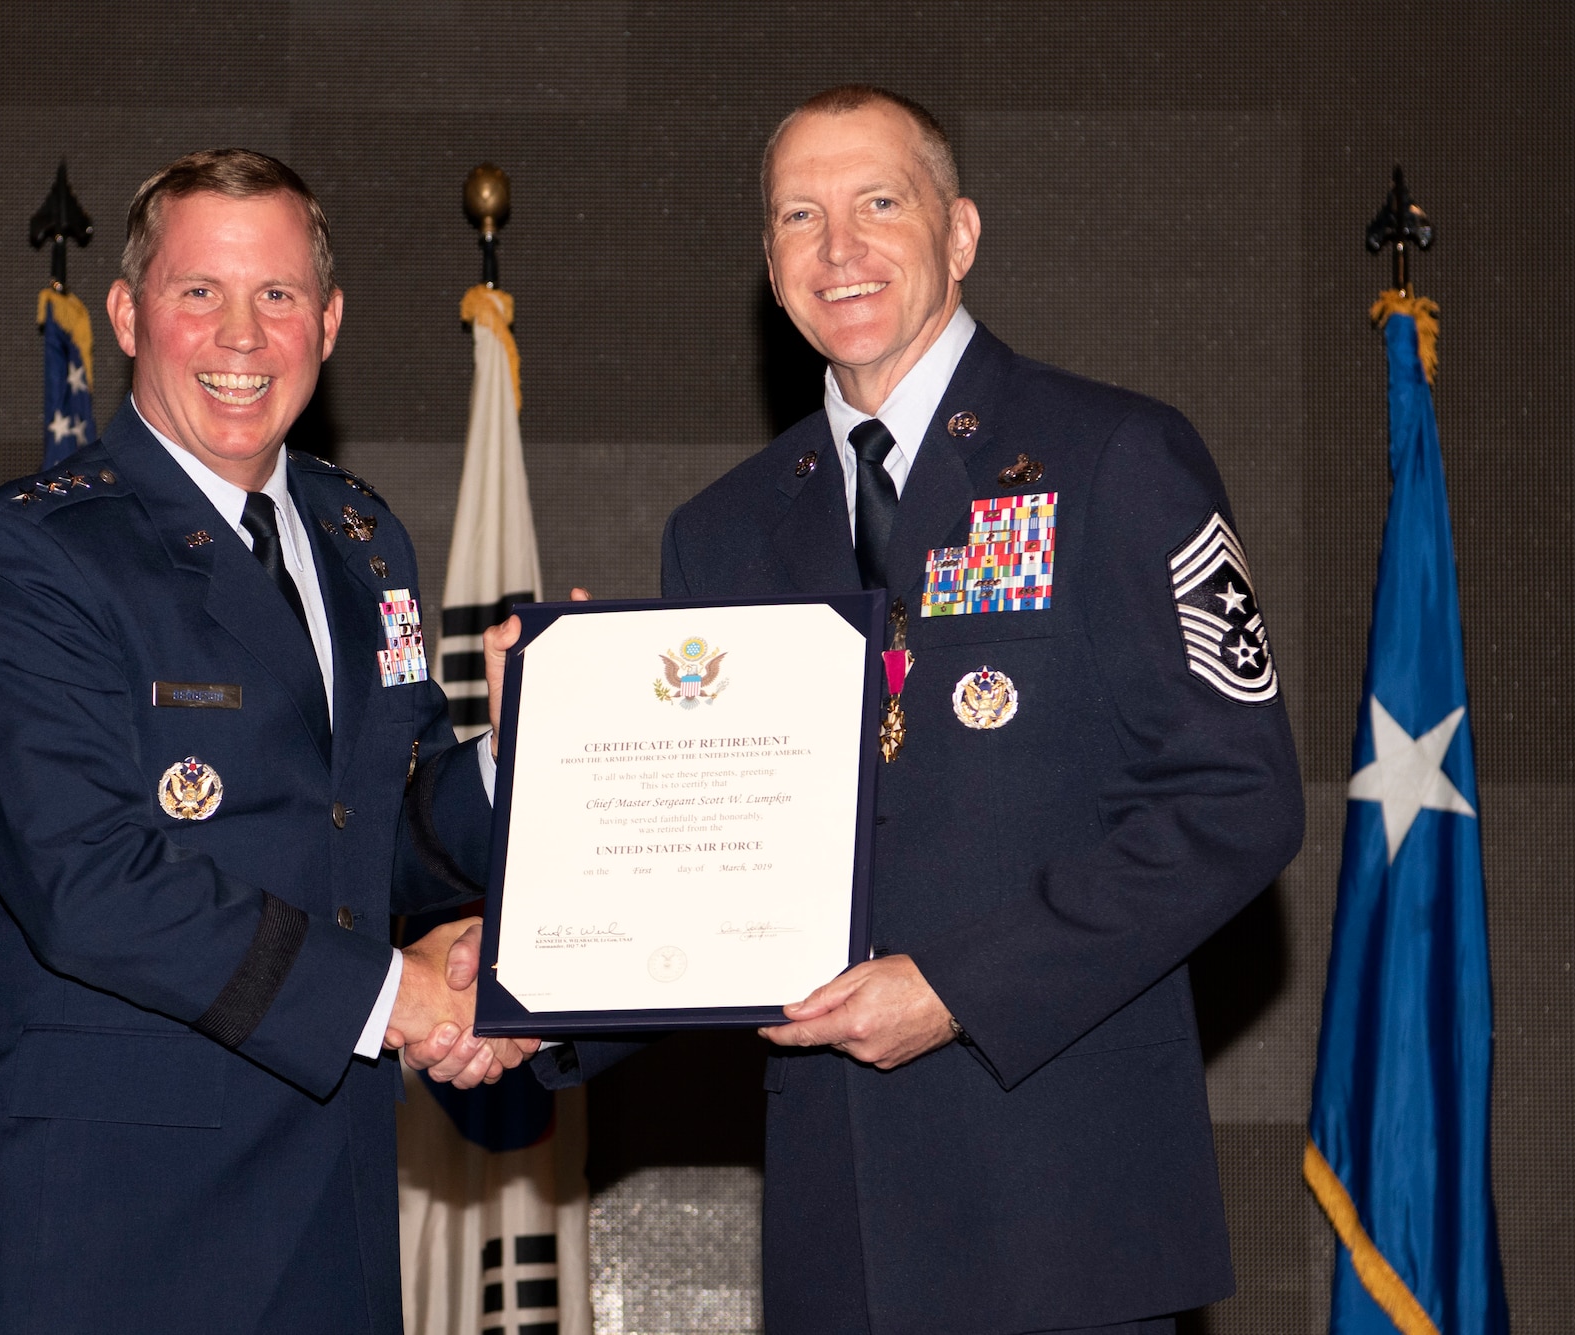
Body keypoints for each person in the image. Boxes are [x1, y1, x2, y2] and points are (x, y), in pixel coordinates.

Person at [495, 87, 1305, 1334]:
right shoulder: (721, 532)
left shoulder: (1111, 458)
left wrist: (960, 986)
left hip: (1061, 1216)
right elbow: (696, 875)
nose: (840, 248)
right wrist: (513, 995)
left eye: (879, 202)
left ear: (959, 231)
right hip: (840, 1229)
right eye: (799, 216)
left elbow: (1234, 800)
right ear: (768, 267)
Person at [0, 148, 530, 1335]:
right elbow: (87, 883)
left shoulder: (363, 545)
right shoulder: (30, 561)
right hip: (114, 1224)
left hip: (332, 1202)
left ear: (330, 319)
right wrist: (392, 1000)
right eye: (200, 291)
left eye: (279, 295)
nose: (241, 335)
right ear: (129, 314)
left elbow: (384, 819)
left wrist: (533, 755)